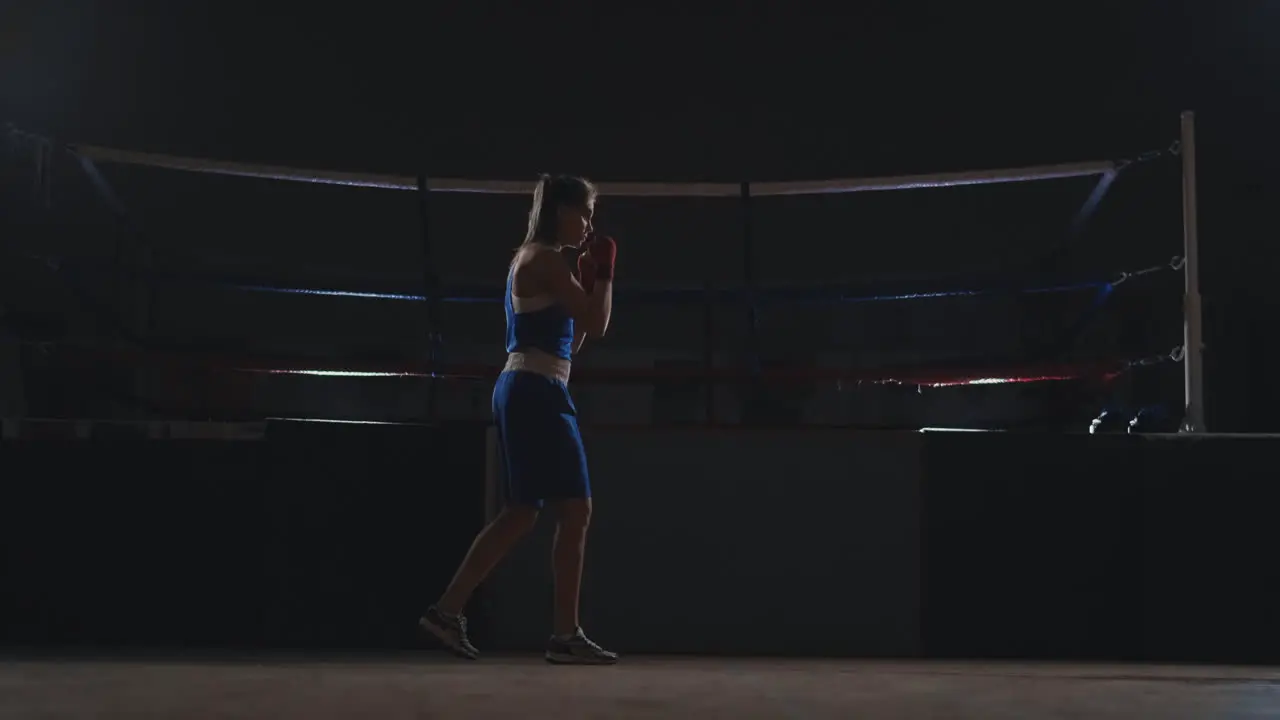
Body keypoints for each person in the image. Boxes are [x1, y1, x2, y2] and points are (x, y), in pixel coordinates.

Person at [419, 174, 618, 665]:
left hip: (534, 386)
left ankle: (448, 611)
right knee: (572, 510)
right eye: (585, 212)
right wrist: (606, 274)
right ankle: (563, 635)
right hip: (536, 390)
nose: (590, 223)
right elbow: (598, 322)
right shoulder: (546, 260)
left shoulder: (539, 260)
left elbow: (575, 341)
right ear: (562, 211)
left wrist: (591, 280)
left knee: (525, 512)